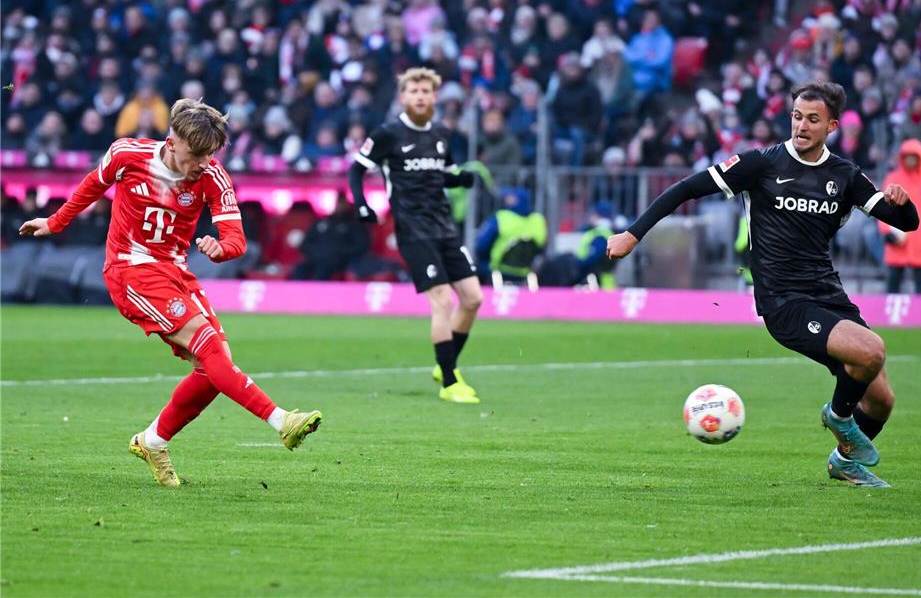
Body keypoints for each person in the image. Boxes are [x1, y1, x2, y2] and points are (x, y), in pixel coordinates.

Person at [607, 81, 919, 488]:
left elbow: (907, 223)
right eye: (796, 116)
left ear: (832, 126)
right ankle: (839, 418)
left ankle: (844, 462)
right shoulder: (761, 164)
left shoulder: (845, 176)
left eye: (812, 119)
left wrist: (901, 200)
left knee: (881, 399)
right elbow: (687, 188)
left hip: (829, 296)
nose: (801, 126)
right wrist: (634, 233)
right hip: (784, 301)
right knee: (871, 350)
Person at [19, 99, 323, 487]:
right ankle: (282, 420)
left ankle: (153, 440)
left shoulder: (213, 176)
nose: (203, 163)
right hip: (130, 270)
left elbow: (235, 237)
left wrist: (222, 248)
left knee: (215, 367)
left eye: (209, 154)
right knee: (212, 351)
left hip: (176, 272)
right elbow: (94, 184)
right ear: (172, 141)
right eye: (196, 154)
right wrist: (56, 222)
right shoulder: (127, 154)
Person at [348, 67, 483, 404]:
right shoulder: (387, 134)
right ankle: (450, 382)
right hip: (412, 230)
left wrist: (460, 179)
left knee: (473, 298)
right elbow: (356, 168)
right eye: (414, 91)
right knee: (443, 300)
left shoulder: (441, 133)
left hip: (444, 228)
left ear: (435, 96)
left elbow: (441, 174)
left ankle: (446, 361)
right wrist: (362, 205)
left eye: (426, 91)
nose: (421, 96)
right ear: (403, 96)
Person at [878, 139, 921, 294]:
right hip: (897, 243)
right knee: (892, 287)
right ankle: (890, 318)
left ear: (920, 157)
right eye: (907, 156)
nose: (910, 160)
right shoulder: (893, 178)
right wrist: (887, 232)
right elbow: (882, 208)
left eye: (913, 156)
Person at [475, 188, 547, 285]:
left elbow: (481, 246)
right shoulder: (539, 220)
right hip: (526, 271)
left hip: (498, 270)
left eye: (510, 198)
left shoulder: (501, 218)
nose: (506, 200)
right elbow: (541, 248)